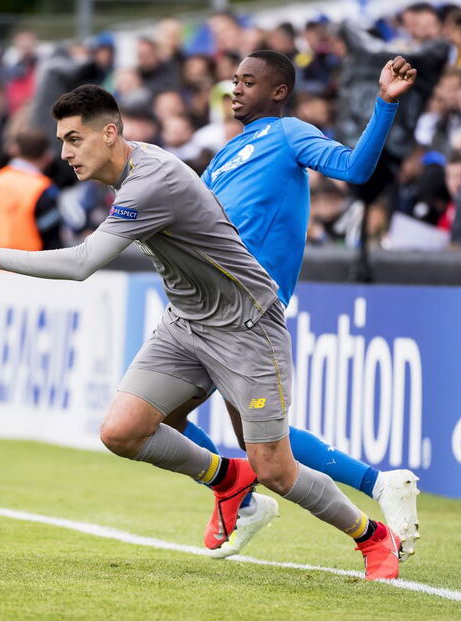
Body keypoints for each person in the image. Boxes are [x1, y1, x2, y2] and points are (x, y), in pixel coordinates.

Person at [0, 84, 403, 580]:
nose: (66, 152)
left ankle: (371, 537)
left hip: (246, 327)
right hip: (185, 324)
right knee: (122, 430)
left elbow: (83, 263)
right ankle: (227, 478)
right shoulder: (132, 167)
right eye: (62, 141)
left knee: (276, 469)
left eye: (75, 139)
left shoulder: (148, 182)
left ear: (110, 134)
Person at [163, 50, 421, 560]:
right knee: (191, 424)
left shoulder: (288, 133)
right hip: (207, 308)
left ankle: (253, 495)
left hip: (249, 311)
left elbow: (355, 169)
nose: (235, 88)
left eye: (248, 81)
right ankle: (359, 485)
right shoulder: (223, 155)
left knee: (196, 426)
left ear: (278, 92)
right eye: (234, 80)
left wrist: (384, 105)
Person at [0, 128, 61, 251]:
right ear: (46, 156)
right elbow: (51, 237)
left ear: (15, 150)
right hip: (28, 265)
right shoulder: (43, 188)